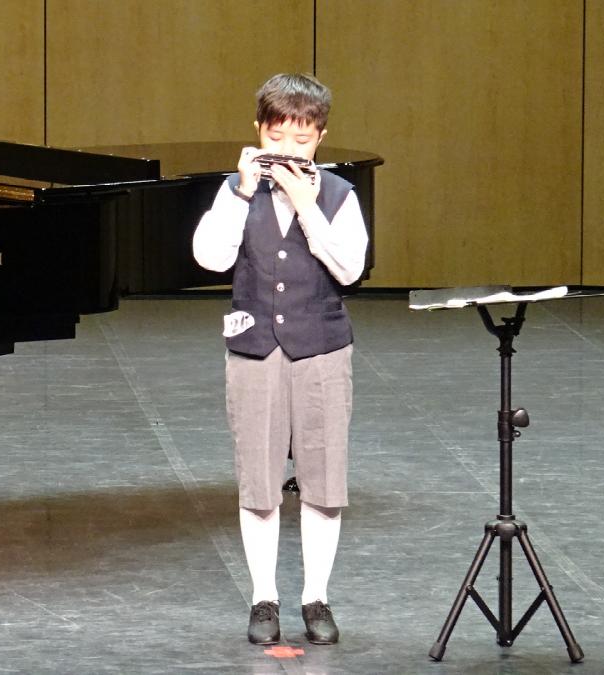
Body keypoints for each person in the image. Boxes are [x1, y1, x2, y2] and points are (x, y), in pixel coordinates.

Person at [191, 73, 367, 646]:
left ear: (320, 139)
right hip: (254, 350)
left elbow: (349, 269)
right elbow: (210, 259)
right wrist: (242, 194)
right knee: (260, 480)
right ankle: (263, 597)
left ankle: (316, 596)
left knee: (323, 480)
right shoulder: (236, 190)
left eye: (302, 140)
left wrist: (308, 207)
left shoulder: (339, 195)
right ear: (259, 132)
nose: (288, 149)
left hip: (322, 350)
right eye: (277, 137)